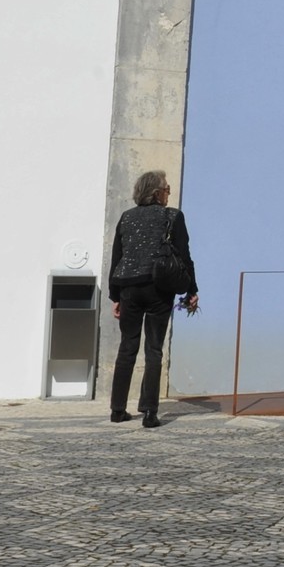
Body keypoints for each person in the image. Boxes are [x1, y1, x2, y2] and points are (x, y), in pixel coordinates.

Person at [107, 169, 199, 428]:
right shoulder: (173, 216)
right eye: (167, 189)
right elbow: (184, 255)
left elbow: (117, 257)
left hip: (128, 288)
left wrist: (115, 296)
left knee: (127, 347)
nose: (169, 193)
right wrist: (191, 290)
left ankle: (117, 410)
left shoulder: (126, 217)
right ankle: (149, 412)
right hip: (159, 288)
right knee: (154, 349)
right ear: (157, 193)